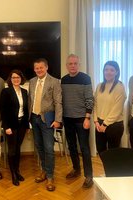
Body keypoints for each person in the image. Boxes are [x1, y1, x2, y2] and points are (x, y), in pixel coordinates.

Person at [29, 58, 62, 191]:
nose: (39, 70)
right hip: (34, 119)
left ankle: (50, 176)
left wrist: (58, 120)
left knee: (49, 149)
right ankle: (43, 171)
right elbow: (30, 101)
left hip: (48, 120)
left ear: (46, 67)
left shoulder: (54, 81)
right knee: (39, 147)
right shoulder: (31, 82)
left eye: (41, 67)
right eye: (36, 68)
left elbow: (58, 102)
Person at [61, 54, 94, 188]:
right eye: (70, 64)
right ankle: (76, 169)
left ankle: (89, 176)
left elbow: (90, 99)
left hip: (82, 119)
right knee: (72, 147)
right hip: (67, 119)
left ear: (78, 65)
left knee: (85, 148)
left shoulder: (85, 78)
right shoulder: (63, 80)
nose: (73, 66)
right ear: (67, 66)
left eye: (75, 63)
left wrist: (87, 118)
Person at [0, 69, 30, 186]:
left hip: (22, 124)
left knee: (18, 149)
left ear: (21, 79)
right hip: (10, 126)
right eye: (13, 78)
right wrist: (6, 127)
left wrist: (27, 125)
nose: (16, 79)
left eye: (18, 77)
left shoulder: (24, 91)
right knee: (12, 150)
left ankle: (17, 171)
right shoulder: (6, 92)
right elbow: (3, 111)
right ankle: (13, 173)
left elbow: (26, 110)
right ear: (10, 80)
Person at [93, 61, 126, 154]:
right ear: (103, 71)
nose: (108, 72)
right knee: (101, 151)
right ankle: (106, 169)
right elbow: (95, 104)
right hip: (99, 124)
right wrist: (95, 121)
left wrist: (105, 124)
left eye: (112, 70)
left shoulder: (120, 87)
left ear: (116, 72)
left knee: (113, 154)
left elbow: (117, 109)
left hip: (114, 126)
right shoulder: (99, 86)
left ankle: (113, 169)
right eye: (106, 70)